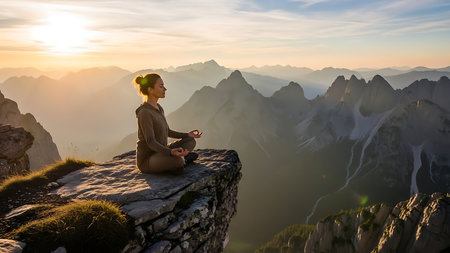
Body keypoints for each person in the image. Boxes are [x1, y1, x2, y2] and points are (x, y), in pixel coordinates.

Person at [134, 73, 202, 174]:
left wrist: (187, 134)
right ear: (150, 89)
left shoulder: (159, 108)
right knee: (177, 161)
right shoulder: (145, 113)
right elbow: (150, 141)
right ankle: (183, 159)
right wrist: (170, 152)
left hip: (163, 151)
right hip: (149, 159)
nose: (165, 89)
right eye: (161, 86)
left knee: (190, 141)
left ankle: (181, 159)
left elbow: (168, 131)